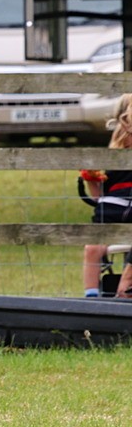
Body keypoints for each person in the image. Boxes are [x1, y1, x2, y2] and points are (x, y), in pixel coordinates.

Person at [80, 94, 132, 299]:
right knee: (92, 248)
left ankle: (124, 288)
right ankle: (91, 298)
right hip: (113, 210)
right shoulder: (114, 152)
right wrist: (92, 179)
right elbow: (99, 198)